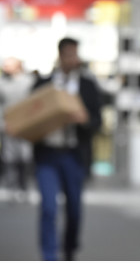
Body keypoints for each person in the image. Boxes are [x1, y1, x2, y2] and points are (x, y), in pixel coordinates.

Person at [32, 37, 103, 261]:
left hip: (74, 155)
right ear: (61, 55)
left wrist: (84, 120)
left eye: (76, 53)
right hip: (47, 155)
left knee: (73, 209)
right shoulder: (43, 85)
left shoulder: (87, 87)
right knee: (48, 207)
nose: (74, 58)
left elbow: (97, 121)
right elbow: (29, 117)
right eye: (69, 54)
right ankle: (49, 256)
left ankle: (69, 250)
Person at [0, 57, 35, 199]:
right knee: (9, 158)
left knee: (25, 157)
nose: (5, 67)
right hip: (8, 126)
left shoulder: (29, 82)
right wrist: (0, 124)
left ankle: (23, 186)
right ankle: (12, 187)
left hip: (26, 126)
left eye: (9, 65)